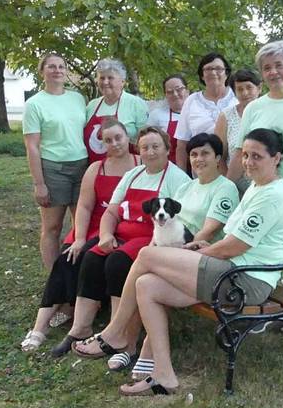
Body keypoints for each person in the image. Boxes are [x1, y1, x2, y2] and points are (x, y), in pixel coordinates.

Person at [75, 129, 283, 397]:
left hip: (246, 280)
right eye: (246, 155)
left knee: (146, 255)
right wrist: (203, 248)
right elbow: (231, 241)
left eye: (256, 156)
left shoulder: (271, 195)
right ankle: (163, 375)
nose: (248, 162)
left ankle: (115, 333)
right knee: (146, 285)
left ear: (277, 157)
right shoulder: (257, 187)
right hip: (230, 270)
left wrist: (197, 255)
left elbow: (234, 247)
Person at [50, 126, 190, 356]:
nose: (151, 152)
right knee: (92, 256)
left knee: (117, 262)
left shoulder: (178, 179)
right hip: (122, 234)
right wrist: (105, 235)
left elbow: (181, 223)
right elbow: (111, 212)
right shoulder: (132, 175)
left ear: (167, 149)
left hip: (152, 239)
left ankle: (118, 332)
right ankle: (80, 327)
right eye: (145, 147)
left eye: (156, 146)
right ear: (139, 151)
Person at [20, 119, 138, 351]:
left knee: (88, 257)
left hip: (123, 227)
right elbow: (83, 207)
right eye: (108, 140)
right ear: (102, 144)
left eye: (118, 138)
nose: (114, 144)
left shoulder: (141, 164)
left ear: (127, 137)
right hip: (94, 226)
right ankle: (40, 326)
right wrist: (80, 237)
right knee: (68, 256)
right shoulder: (96, 169)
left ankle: (77, 311)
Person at [23, 53, 89, 271]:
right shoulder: (34, 104)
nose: (57, 70)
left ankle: (76, 275)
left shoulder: (78, 98)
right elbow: (32, 146)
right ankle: (54, 279)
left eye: (61, 66)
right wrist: (39, 183)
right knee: (52, 227)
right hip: (53, 170)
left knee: (81, 227)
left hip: (82, 167)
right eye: (51, 66)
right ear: (42, 71)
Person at [239, 40, 283, 213]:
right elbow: (239, 152)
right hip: (263, 191)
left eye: (279, 65)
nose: (273, 72)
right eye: (267, 68)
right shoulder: (253, 108)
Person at [173, 52, 236, 172]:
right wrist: (181, 177)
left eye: (218, 68)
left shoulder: (237, 97)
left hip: (236, 169)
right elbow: (181, 145)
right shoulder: (192, 101)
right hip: (202, 171)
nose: (213, 72)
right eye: (208, 69)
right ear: (202, 75)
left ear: (226, 73)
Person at [84, 58, 148, 162]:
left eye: (110, 78)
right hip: (95, 169)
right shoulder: (92, 106)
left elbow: (146, 139)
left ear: (122, 82)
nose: (105, 82)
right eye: (102, 78)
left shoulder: (136, 104)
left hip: (128, 168)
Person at [214, 68, 261, 195]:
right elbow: (219, 157)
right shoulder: (226, 116)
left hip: (265, 186)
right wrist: (228, 185)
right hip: (234, 188)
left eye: (249, 87)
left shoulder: (269, 112)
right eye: (240, 89)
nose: (245, 93)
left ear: (259, 88)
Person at [146, 74, 189, 165]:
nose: (175, 94)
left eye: (179, 89)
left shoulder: (198, 113)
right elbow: (147, 143)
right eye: (170, 92)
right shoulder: (157, 115)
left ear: (187, 91)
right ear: (165, 95)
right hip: (169, 169)